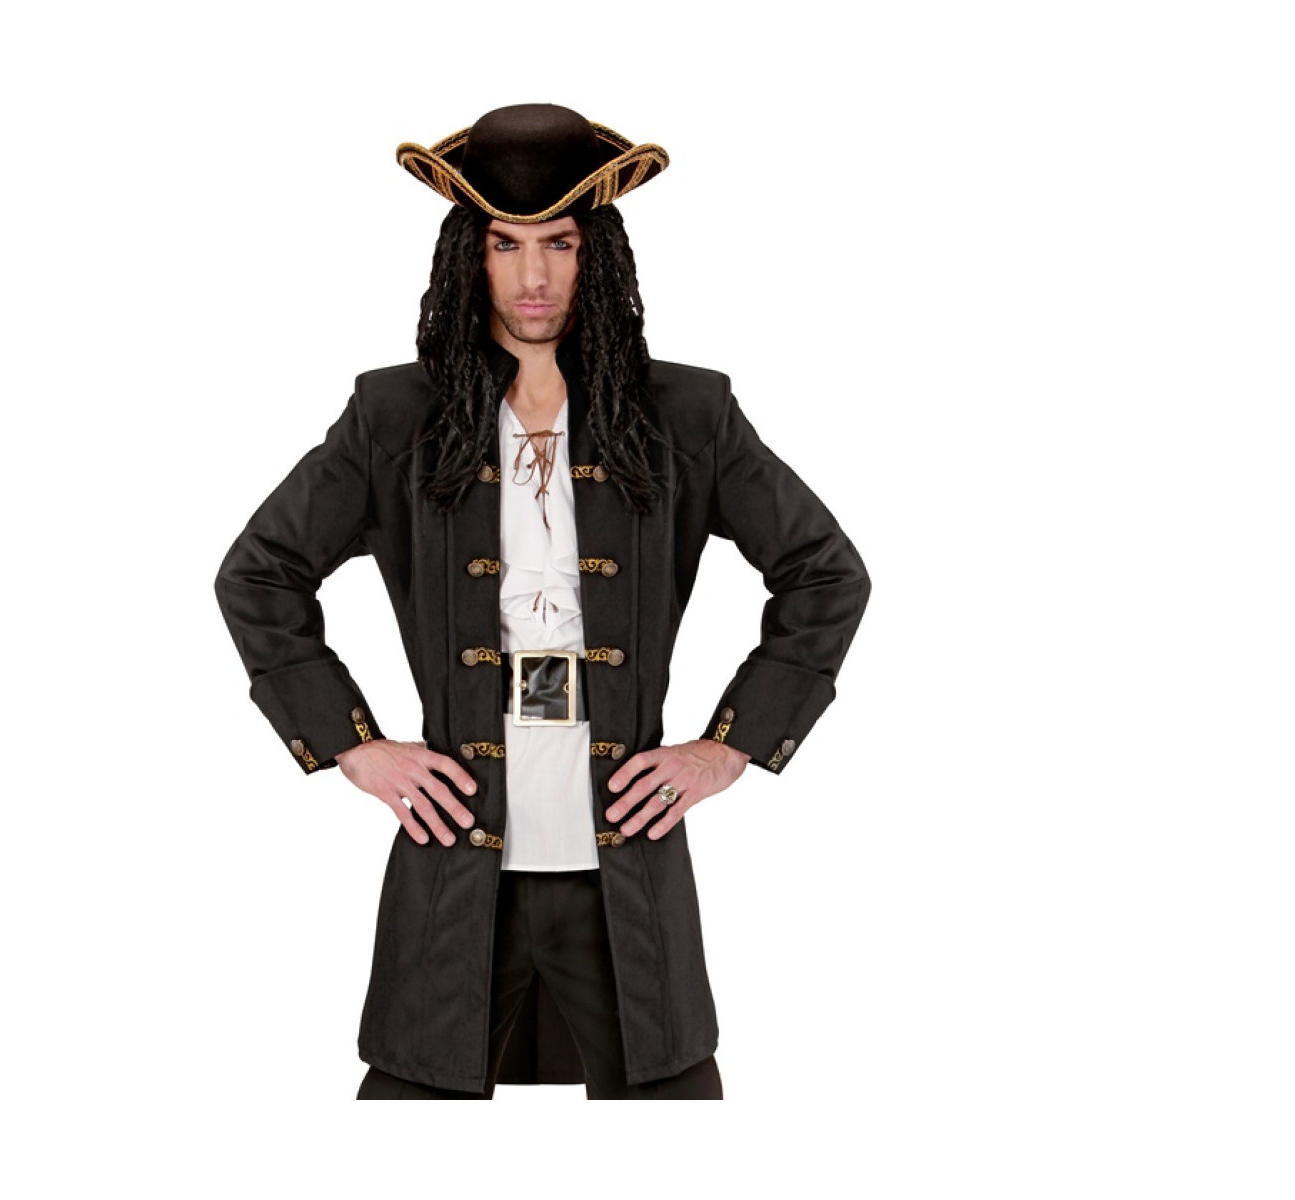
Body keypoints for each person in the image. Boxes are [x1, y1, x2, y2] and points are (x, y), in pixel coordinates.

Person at [214, 103, 871, 1099]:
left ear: (595, 254)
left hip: (626, 859)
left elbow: (825, 571)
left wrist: (726, 747)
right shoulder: (396, 416)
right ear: (467, 257)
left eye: (559, 243)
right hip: (456, 854)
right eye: (505, 244)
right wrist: (353, 744)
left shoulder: (685, 414)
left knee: (670, 1106)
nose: (533, 276)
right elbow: (259, 571)